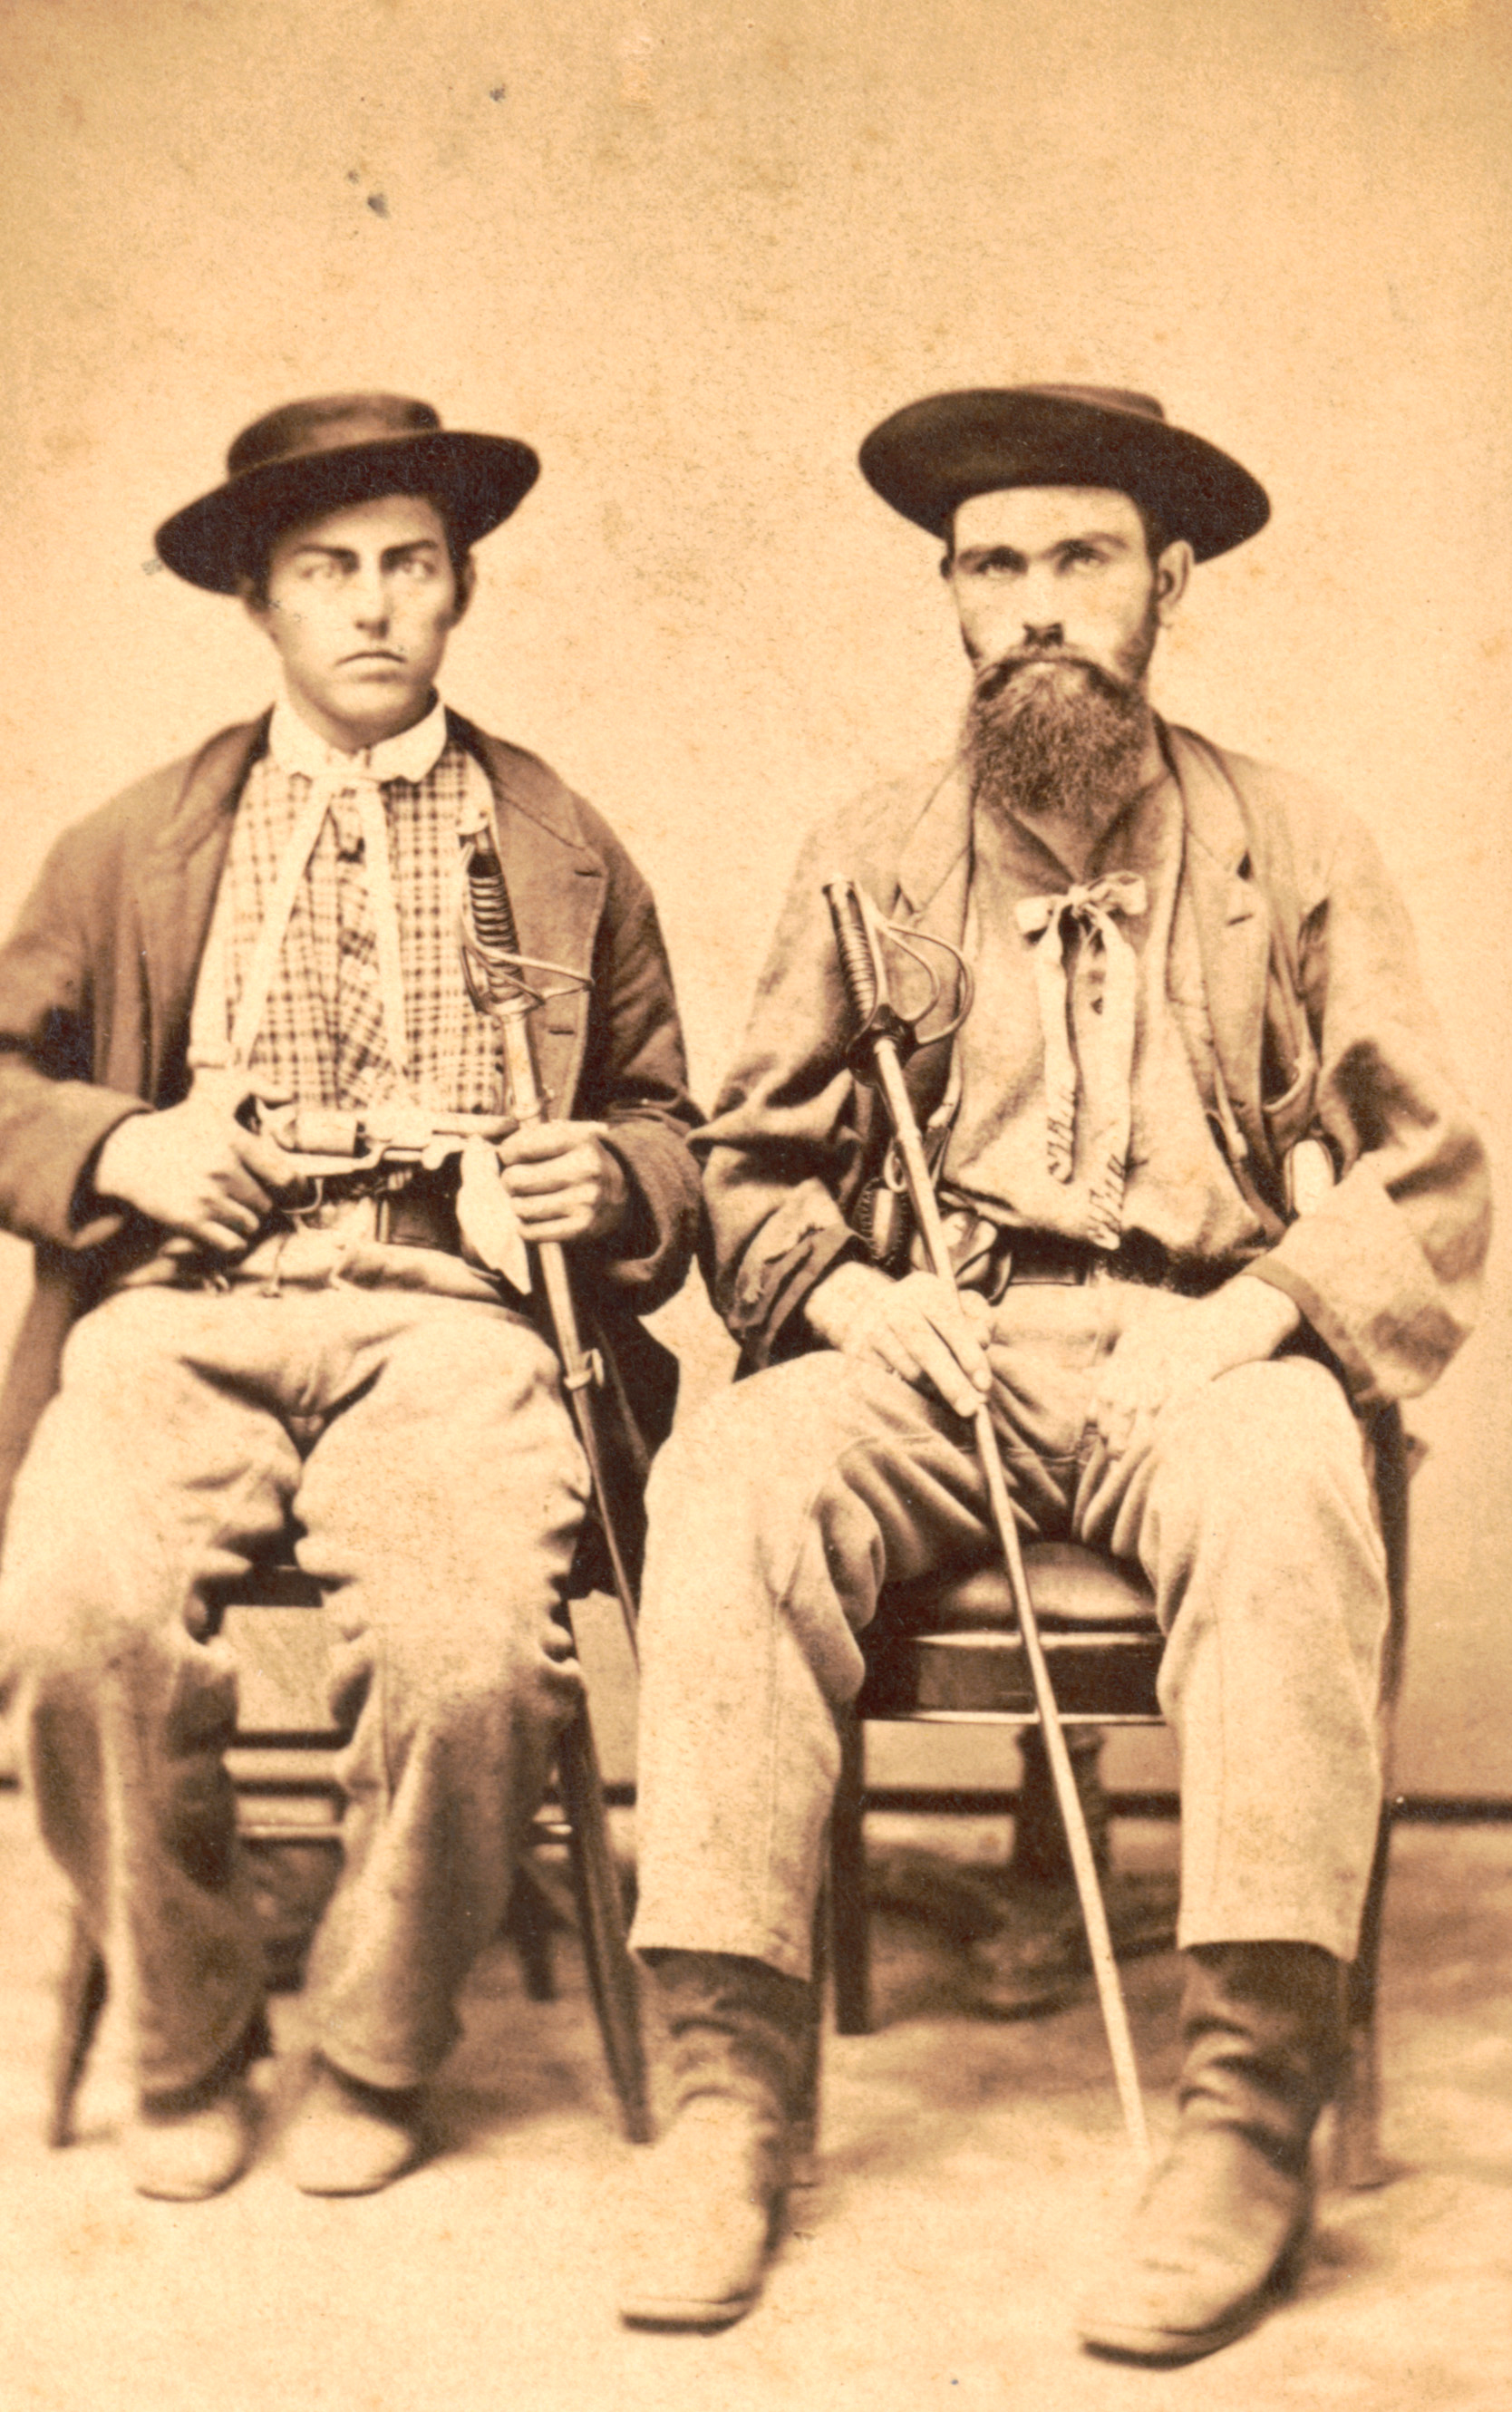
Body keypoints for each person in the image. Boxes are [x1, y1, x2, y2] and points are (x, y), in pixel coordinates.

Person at [620, 384, 1489, 2360]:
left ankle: (1245, 2130)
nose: (1034, 605)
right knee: (734, 1474)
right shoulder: (868, 849)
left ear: (1166, 581)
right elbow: (747, 1163)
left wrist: (1257, 1314)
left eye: (1077, 558)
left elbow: (1431, 1170)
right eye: (991, 564)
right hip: (944, 1341)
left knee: (1287, 1482)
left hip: (1205, 1334)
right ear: (948, 594)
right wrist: (843, 1297)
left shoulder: (1295, 835)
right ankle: (728, 2108)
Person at [0, 392, 700, 2203]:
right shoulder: (140, 840)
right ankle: (184, 2032)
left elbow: (672, 1119)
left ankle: (373, 2035)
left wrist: (612, 1176)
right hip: (184, 1304)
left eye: (409, 567)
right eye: (325, 570)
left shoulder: (562, 838)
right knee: (70, 1619)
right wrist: (123, 1153)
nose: (371, 606)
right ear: (256, 603)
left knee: (474, 1648)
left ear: (460, 590)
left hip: (455, 1315)